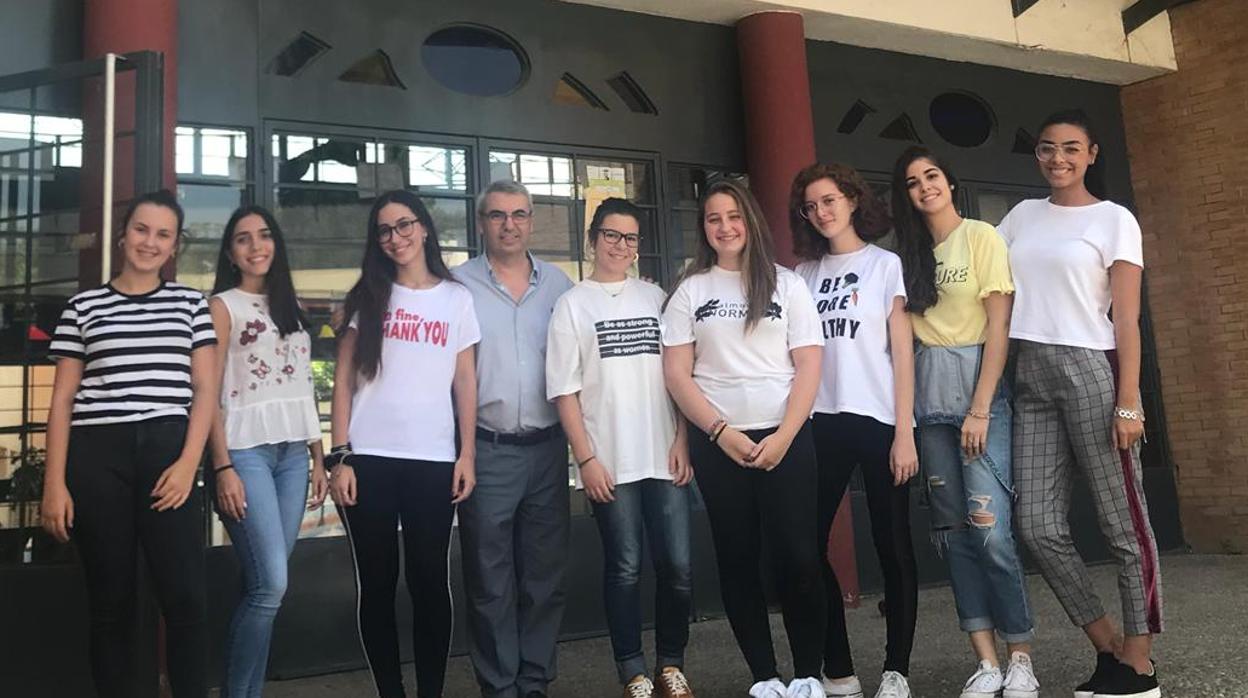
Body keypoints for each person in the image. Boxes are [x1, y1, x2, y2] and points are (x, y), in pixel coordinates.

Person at [1001, 109, 1162, 698]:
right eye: (1047, 148)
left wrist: (1129, 403)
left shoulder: (1114, 220)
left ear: (1092, 153)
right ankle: (1109, 647)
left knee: (1126, 527)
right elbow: (991, 288)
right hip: (1030, 372)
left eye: (1071, 148)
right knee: (1037, 526)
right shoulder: (1020, 217)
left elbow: (1127, 319)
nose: (1058, 159)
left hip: (1092, 369)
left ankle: (1141, 665)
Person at [40, 190, 216, 697]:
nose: (150, 242)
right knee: (111, 604)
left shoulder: (190, 305)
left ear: (175, 245)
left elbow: (204, 392)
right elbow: (62, 401)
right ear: (123, 235)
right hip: (98, 456)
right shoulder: (82, 306)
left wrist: (189, 463)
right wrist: (55, 484)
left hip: (169, 455)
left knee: (185, 600)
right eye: (142, 229)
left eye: (163, 234)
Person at [662, 179, 826, 698]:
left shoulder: (787, 285)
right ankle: (765, 677)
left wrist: (784, 435)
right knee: (737, 557)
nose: (725, 227)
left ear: (750, 221)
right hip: (720, 444)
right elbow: (677, 374)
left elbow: (809, 366)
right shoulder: (692, 288)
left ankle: (806, 675)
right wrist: (719, 432)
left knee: (799, 557)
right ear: (704, 228)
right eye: (714, 219)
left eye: (733, 216)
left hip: (788, 439)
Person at [890, 146, 1039, 698]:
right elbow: (902, 343)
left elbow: (998, 325)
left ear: (950, 182)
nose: (925, 186)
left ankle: (1020, 653)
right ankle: (986, 660)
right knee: (952, 537)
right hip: (928, 403)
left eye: (932, 176)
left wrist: (981, 407)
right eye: (912, 181)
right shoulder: (904, 255)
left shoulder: (981, 237)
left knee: (990, 531)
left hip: (979, 393)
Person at [327, 190, 479, 698]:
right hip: (368, 460)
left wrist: (467, 453)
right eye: (385, 230)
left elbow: (465, 383)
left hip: (432, 461)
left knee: (430, 584)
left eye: (404, 225)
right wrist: (340, 454)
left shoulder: (456, 298)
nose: (396, 237)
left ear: (425, 228)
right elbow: (343, 380)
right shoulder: (367, 296)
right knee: (377, 585)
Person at [546, 198, 695, 698]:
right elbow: (564, 390)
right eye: (611, 235)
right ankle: (632, 670)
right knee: (625, 567)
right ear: (593, 239)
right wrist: (585, 458)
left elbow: (681, 377)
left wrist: (682, 439)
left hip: (663, 454)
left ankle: (671, 664)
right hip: (609, 460)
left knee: (676, 566)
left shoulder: (655, 298)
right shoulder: (572, 304)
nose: (621, 246)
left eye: (630, 238)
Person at [790, 163, 918, 698]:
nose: (821, 212)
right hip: (821, 421)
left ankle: (896, 671)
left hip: (880, 419)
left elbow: (902, 352)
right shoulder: (801, 275)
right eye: (811, 206)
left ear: (851, 199)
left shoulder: (884, 264)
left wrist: (905, 431)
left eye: (829, 200)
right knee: (807, 545)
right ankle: (838, 667)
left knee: (891, 544)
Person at [454, 180, 574, 698]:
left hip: (549, 448)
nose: (509, 224)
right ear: (481, 222)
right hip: (488, 448)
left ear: (531, 220)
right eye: (498, 215)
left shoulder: (561, 286)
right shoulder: (456, 286)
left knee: (544, 577)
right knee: (489, 578)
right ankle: (499, 684)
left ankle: (534, 680)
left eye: (519, 214)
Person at [207, 205, 329, 697]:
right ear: (231, 252)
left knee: (265, 588)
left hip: (293, 457)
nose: (256, 245)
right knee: (271, 585)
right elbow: (208, 391)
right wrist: (222, 466)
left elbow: (302, 383)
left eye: (264, 236)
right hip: (246, 453)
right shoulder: (221, 306)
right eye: (243, 239)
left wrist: (319, 455)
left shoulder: (290, 305)